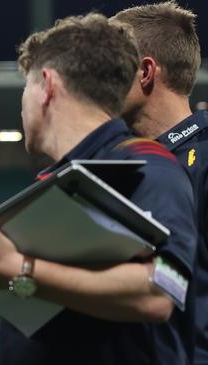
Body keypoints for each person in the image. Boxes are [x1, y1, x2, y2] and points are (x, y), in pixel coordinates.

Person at [0, 13, 197, 365]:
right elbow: (47, 303)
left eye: (25, 87)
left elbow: (161, 292)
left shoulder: (145, 167)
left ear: (47, 86)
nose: (22, 105)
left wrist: (17, 268)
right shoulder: (57, 182)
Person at [114, 2, 208, 363]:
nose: (99, 80)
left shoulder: (201, 161)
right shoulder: (124, 165)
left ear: (145, 72)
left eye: (110, 66)